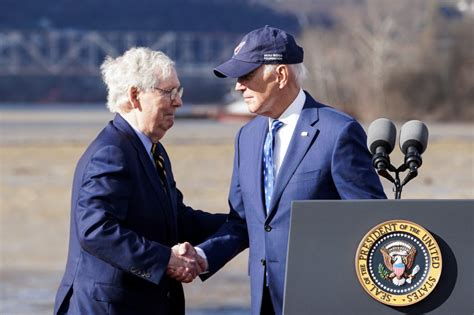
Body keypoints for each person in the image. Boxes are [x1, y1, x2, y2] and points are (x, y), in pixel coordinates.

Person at [192, 26, 387, 314]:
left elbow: (372, 221)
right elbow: (242, 222)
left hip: (325, 300)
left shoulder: (338, 132)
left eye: (246, 76)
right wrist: (200, 256)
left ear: (281, 75)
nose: (238, 86)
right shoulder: (247, 137)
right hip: (264, 301)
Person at [53, 47, 226, 315]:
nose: (178, 102)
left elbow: (176, 220)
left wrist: (243, 223)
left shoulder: (153, 150)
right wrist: (166, 259)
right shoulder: (112, 152)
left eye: (178, 92)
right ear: (135, 96)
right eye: (168, 92)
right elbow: (96, 230)